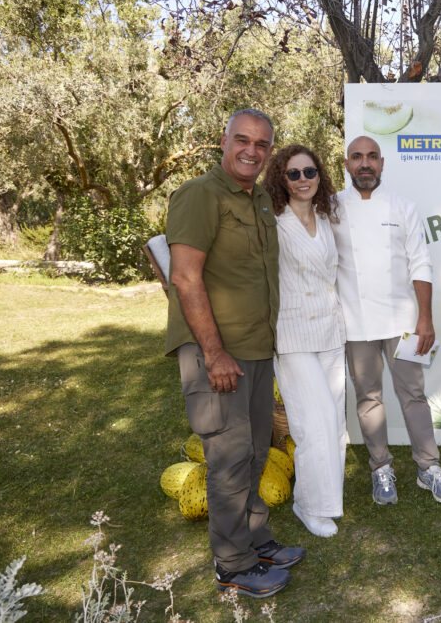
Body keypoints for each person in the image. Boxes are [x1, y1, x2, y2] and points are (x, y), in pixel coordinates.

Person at [165, 109, 304, 598]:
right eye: (242, 140)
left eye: (262, 144)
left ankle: (255, 539)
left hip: (256, 349)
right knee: (228, 457)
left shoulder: (260, 198)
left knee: (256, 452)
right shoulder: (199, 195)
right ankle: (233, 564)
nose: (251, 150)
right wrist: (214, 352)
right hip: (218, 352)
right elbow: (185, 277)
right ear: (223, 141)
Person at [331, 134, 441, 505]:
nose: (365, 163)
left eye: (372, 156)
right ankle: (380, 468)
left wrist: (426, 319)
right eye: (357, 157)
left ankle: (428, 467)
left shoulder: (403, 207)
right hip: (355, 323)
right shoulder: (331, 208)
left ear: (382, 163)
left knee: (414, 395)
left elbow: (420, 262)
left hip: (403, 321)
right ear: (347, 164)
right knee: (368, 399)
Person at [262, 145, 347, 539]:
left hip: (330, 330)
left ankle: (327, 498)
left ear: (319, 175)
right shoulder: (272, 221)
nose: (302, 180)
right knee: (313, 423)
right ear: (281, 178)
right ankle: (309, 505)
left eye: (309, 172)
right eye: (293, 173)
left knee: (335, 423)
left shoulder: (326, 216)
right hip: (293, 333)